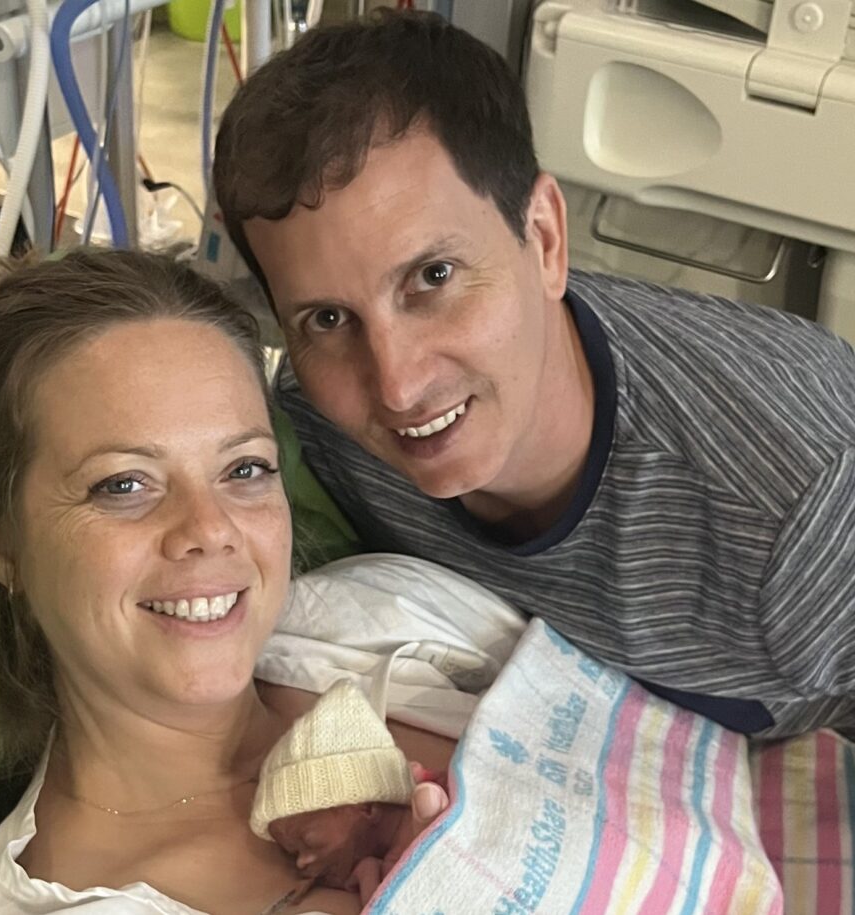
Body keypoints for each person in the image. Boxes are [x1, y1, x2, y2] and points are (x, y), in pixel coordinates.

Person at [212, 9, 855, 740]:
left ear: (545, 239)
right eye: (327, 320)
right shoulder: (322, 439)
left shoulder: (806, 497)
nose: (396, 385)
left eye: (433, 275)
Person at [0, 249, 453, 915]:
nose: (210, 528)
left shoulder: (389, 613)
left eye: (243, 469)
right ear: (2, 543)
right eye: (123, 483)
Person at [249, 679, 448, 906]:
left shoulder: (429, 811)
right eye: (295, 853)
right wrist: (365, 870)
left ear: (367, 808)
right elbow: (385, 906)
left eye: (310, 841)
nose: (301, 863)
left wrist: (366, 871)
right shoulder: (389, 863)